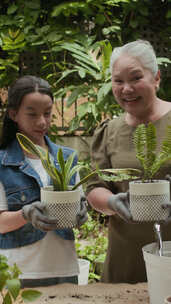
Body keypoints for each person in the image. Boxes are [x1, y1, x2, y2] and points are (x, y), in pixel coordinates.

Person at [86, 40, 171, 283]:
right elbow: (95, 188)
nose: (126, 89)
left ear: (156, 78)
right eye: (118, 81)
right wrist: (112, 202)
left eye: (135, 78)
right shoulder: (109, 131)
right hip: (125, 259)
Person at [0, 75, 87, 287]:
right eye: (32, 114)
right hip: (17, 273)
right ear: (13, 114)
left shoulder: (67, 158)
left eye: (47, 114)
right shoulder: (2, 163)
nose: (42, 122)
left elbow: (79, 202)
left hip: (64, 269)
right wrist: (26, 213)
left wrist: (82, 213)